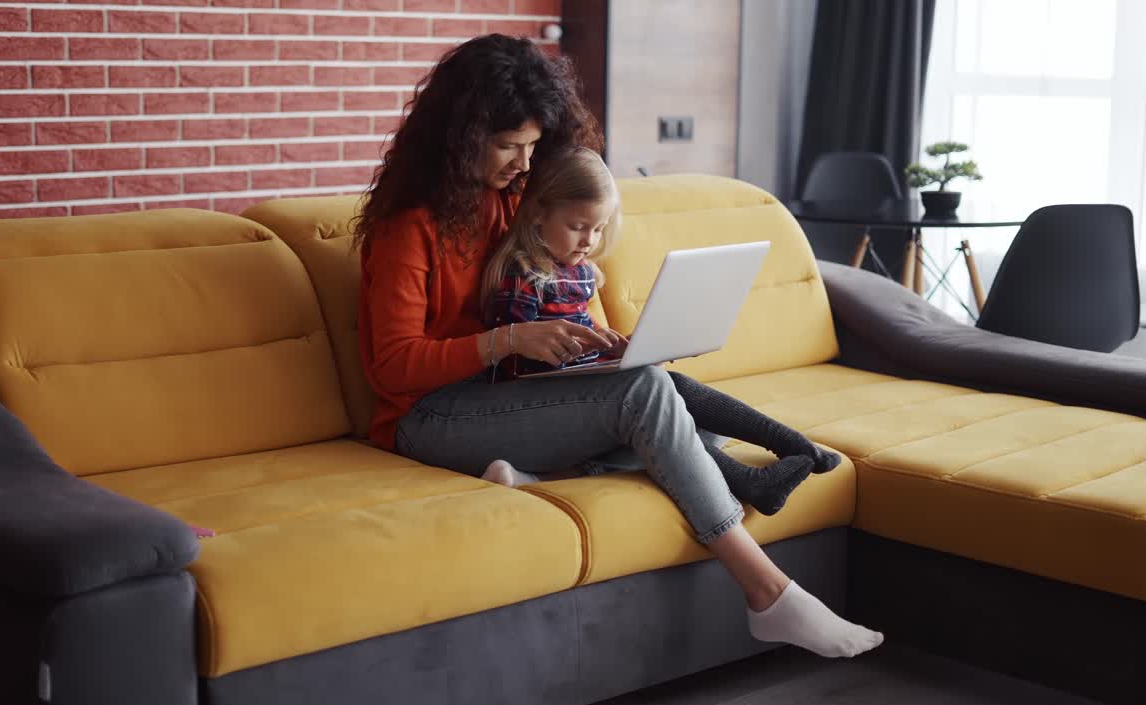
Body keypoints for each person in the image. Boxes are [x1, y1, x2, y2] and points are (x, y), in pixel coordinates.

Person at [355, 33, 882, 659]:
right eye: (506, 146)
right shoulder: (406, 230)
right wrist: (507, 340)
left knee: (667, 403)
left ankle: (535, 475)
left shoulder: (515, 204)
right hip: (428, 416)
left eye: (531, 146)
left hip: (509, 395)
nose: (523, 163)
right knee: (650, 400)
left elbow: (563, 286)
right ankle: (768, 593)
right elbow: (391, 368)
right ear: (459, 138)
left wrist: (603, 346)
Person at [478, 146, 841, 517]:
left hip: (586, 387)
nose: (588, 240)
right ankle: (759, 476)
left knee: (695, 419)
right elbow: (509, 362)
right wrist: (558, 349)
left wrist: (618, 347)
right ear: (538, 215)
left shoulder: (581, 270)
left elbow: (586, 332)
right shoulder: (522, 274)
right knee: (670, 399)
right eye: (577, 227)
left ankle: (795, 447)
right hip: (546, 398)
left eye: (598, 229)